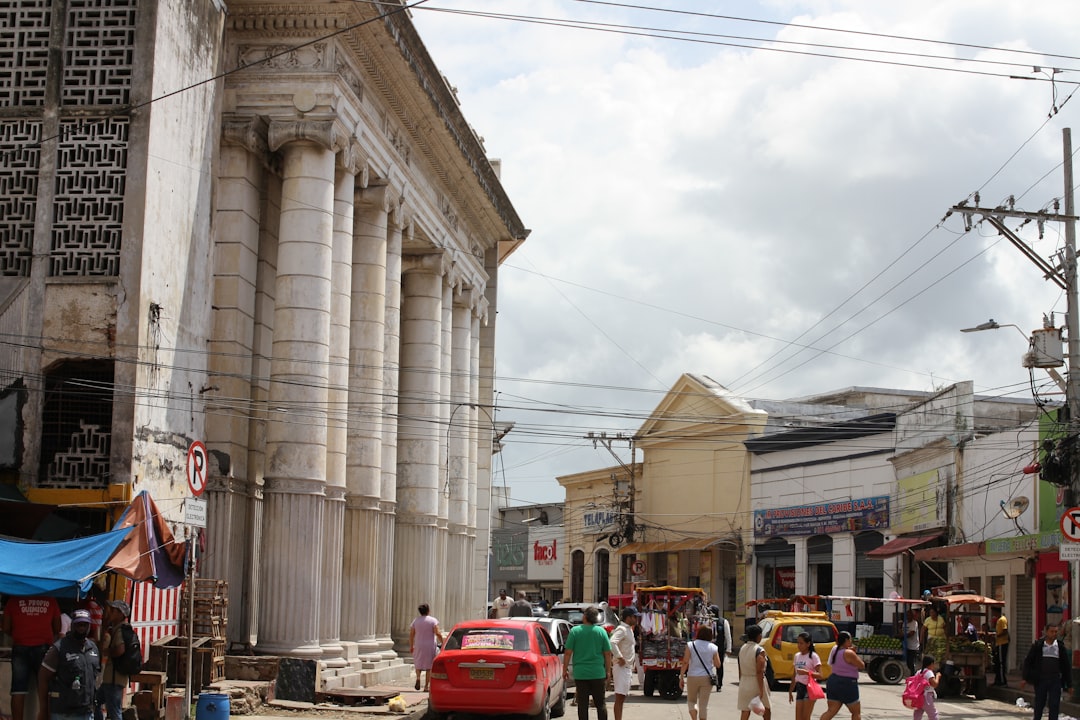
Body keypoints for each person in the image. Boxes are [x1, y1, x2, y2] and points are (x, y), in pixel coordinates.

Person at [4, 595, 62, 720]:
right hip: (43, 648)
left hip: (20, 646)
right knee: (45, 690)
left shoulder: (13, 599)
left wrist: (18, 634)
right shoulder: (50, 599)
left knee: (18, 690)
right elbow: (58, 627)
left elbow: (6, 627)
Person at [37, 609, 101, 720]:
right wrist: (43, 710)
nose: (81, 628)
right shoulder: (59, 648)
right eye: (78, 625)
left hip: (87, 712)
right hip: (64, 714)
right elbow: (43, 678)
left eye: (84, 625)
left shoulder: (93, 649)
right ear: (72, 625)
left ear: (89, 626)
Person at [564, 606, 612, 720]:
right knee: (600, 704)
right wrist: (608, 671)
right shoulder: (601, 632)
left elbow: (568, 653)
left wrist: (564, 668)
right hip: (598, 673)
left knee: (583, 705)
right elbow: (608, 653)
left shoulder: (575, 631)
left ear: (585, 617)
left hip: (581, 674)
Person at [1021, 622, 1072, 720]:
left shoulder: (1060, 647)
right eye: (1052, 631)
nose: (1054, 634)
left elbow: (1066, 666)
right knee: (1039, 703)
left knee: (1054, 704)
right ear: (1046, 632)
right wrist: (1025, 678)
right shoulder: (1038, 645)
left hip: (1055, 680)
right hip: (1041, 679)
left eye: (1056, 632)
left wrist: (1069, 685)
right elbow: (1028, 662)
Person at [96, 601, 134, 720]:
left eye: (113, 611)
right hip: (111, 678)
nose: (110, 613)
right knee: (95, 701)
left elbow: (120, 650)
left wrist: (107, 652)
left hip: (114, 679)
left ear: (121, 614)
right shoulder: (117, 628)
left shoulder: (120, 630)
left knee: (114, 712)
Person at [820, 631, 865, 720]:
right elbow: (862, 665)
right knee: (856, 712)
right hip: (847, 683)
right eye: (850, 640)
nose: (851, 642)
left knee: (831, 711)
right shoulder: (849, 653)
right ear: (846, 640)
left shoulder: (834, 650)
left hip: (833, 681)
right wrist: (854, 653)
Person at [680, 625, 721, 720]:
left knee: (691, 701)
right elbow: (718, 664)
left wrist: (681, 676)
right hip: (707, 677)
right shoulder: (713, 647)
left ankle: (694, 718)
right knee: (703, 704)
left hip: (692, 676)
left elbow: (685, 662)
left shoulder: (691, 645)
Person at [608, 606, 638, 720]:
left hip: (627, 668)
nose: (636, 619)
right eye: (634, 617)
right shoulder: (622, 629)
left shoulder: (629, 629)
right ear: (628, 617)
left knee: (622, 697)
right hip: (621, 667)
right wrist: (619, 657)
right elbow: (612, 642)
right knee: (619, 697)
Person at [737, 624, 771, 720]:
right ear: (758, 636)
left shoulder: (742, 648)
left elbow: (740, 668)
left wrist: (741, 683)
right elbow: (759, 671)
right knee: (766, 709)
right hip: (756, 682)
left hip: (744, 681)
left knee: (745, 710)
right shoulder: (759, 650)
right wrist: (761, 690)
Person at [408, 603, 443, 692]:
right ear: (428, 610)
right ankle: (426, 686)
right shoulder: (432, 621)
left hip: (419, 644)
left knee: (418, 663)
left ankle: (418, 677)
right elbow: (437, 632)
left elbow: (412, 634)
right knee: (429, 666)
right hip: (430, 645)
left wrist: (411, 645)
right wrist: (443, 642)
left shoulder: (416, 621)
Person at [788, 632, 822, 720]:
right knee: (798, 717)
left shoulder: (813, 656)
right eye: (797, 643)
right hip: (800, 688)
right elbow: (794, 674)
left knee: (806, 717)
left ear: (808, 644)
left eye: (801, 643)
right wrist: (791, 690)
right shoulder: (797, 656)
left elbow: (820, 675)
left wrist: (807, 672)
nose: (799, 645)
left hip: (809, 688)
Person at [912, 655, 941, 720]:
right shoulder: (929, 673)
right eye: (934, 664)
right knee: (933, 714)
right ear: (931, 664)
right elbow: (935, 684)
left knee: (918, 714)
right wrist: (938, 677)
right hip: (926, 697)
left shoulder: (918, 672)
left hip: (918, 696)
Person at [709, 605, 732, 688]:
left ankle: (719, 683)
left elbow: (728, 636)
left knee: (719, 666)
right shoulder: (707, 621)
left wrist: (729, 648)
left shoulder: (723, 622)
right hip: (709, 648)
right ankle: (710, 682)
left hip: (719, 648)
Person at [993, 607, 1009, 686]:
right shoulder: (999, 620)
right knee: (997, 663)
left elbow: (1005, 630)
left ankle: (1003, 681)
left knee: (1001, 663)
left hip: (1002, 643)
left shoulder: (1002, 620)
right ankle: (998, 680)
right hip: (999, 643)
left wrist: (997, 636)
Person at [905, 609, 922, 676]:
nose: (908, 616)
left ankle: (913, 675)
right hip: (907, 646)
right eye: (907, 615)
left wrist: (903, 635)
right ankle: (913, 674)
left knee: (911, 662)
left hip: (913, 646)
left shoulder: (914, 623)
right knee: (908, 662)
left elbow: (911, 633)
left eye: (909, 615)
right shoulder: (905, 623)